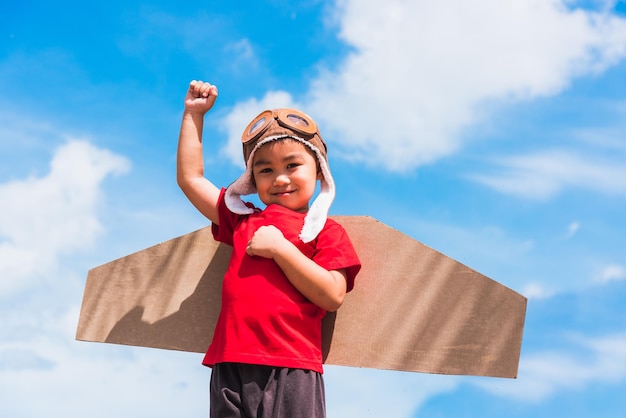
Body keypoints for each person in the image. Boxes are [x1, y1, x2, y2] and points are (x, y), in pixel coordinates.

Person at [176, 80, 361, 418]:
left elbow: (333, 295)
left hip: (291, 365)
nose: (279, 178)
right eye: (266, 170)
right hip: (229, 363)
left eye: (292, 166)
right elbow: (191, 180)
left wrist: (280, 249)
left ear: (318, 169)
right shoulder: (243, 219)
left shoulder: (325, 231)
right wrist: (193, 115)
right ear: (251, 180)